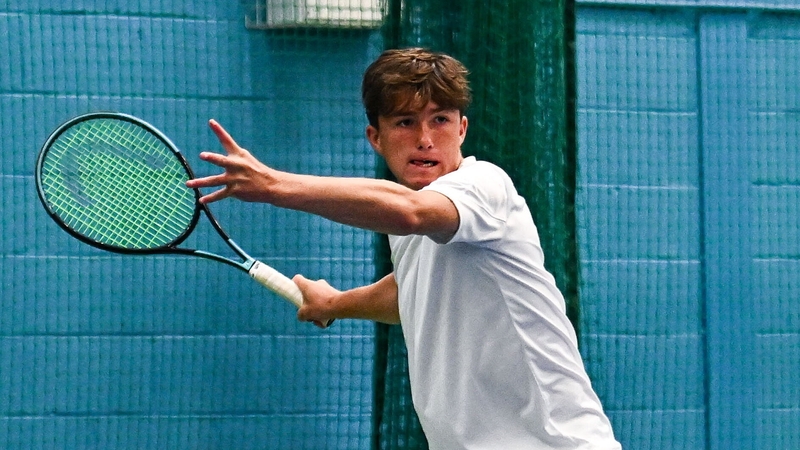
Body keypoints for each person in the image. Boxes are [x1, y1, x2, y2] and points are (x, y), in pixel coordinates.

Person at [186, 48, 621, 450]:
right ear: (376, 137)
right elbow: (412, 290)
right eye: (405, 122)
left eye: (441, 120)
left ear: (462, 128)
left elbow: (411, 212)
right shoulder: (411, 219)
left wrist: (274, 185)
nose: (426, 138)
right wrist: (337, 302)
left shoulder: (482, 185)